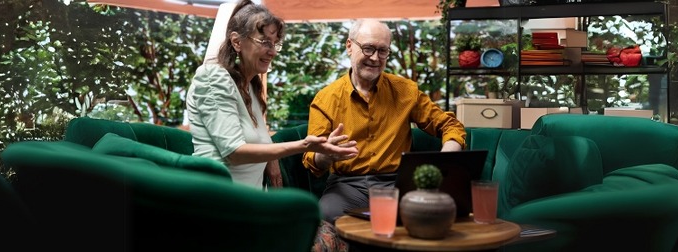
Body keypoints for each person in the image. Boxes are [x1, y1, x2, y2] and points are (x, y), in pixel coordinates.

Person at [302, 19, 467, 224]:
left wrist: (445, 162)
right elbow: (312, 159)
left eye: (383, 51)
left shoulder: (406, 91)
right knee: (324, 216)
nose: (375, 58)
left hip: (397, 184)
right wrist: (326, 155)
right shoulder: (325, 99)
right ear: (349, 47)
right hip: (347, 186)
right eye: (368, 48)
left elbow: (450, 125)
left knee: (430, 216)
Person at [185, 0, 358, 190]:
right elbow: (235, 152)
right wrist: (304, 145)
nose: (273, 52)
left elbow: (253, 138)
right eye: (265, 42)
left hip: (249, 199)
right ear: (236, 42)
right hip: (217, 196)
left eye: (275, 44)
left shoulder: (250, 85)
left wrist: (271, 160)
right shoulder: (212, 76)